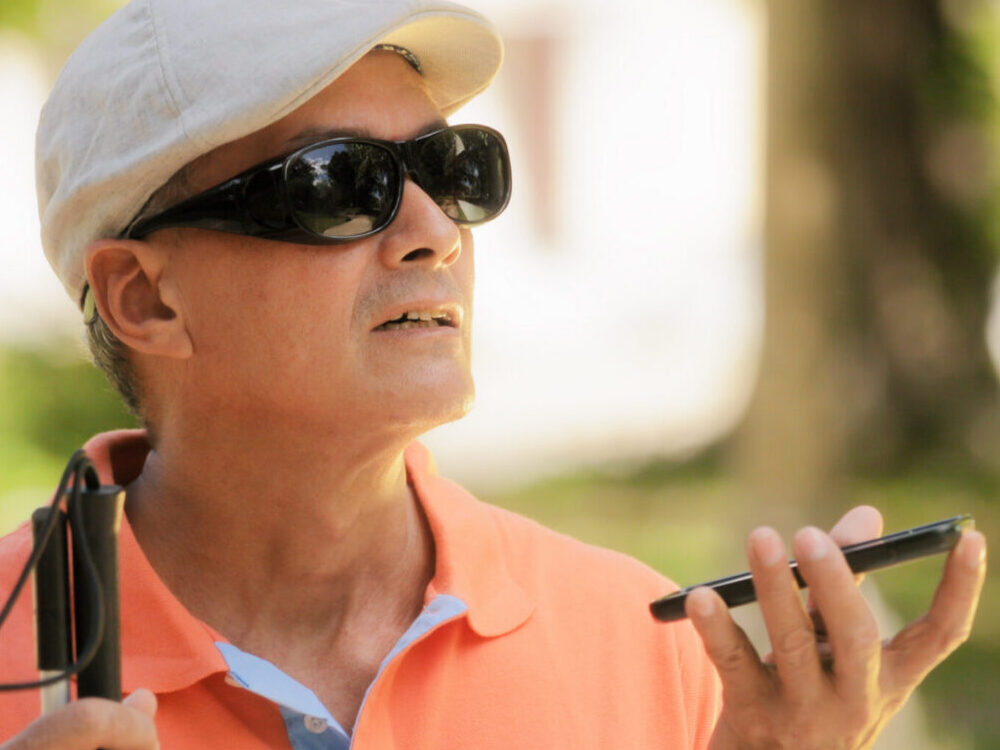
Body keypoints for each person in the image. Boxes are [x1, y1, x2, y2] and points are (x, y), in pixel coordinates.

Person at [0, 0, 986, 748]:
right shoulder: (17, 665)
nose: (435, 233)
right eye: (340, 185)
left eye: (453, 169)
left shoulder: (650, 646)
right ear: (144, 298)